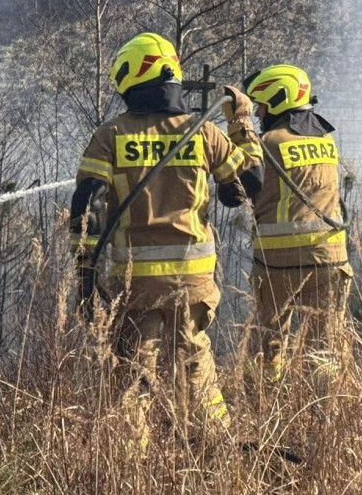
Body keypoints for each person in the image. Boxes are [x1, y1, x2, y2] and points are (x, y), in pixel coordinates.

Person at [68, 32, 262, 436]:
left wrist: (84, 273)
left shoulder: (111, 135)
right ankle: (217, 451)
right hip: (193, 282)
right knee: (195, 369)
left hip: (137, 285)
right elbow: (247, 185)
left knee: (132, 376)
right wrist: (241, 121)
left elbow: (87, 206)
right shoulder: (203, 132)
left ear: (131, 79)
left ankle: (129, 460)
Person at [241, 64, 352, 381]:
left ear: (278, 101)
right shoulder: (326, 140)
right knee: (324, 350)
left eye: (261, 106)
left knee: (266, 347)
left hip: (279, 264)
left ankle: (263, 400)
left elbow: (242, 186)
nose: (258, 113)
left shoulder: (269, 142)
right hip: (330, 260)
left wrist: (239, 131)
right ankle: (323, 407)